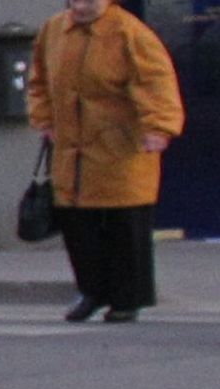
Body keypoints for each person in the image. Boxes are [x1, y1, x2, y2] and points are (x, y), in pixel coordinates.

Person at [28, 0, 185, 324]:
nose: (81, 6)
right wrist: (44, 118)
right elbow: (39, 79)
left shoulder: (129, 32)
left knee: (124, 223)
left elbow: (156, 81)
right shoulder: (54, 30)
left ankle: (127, 298)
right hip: (72, 150)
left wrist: (158, 127)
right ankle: (91, 291)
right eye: (75, 0)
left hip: (120, 145)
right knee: (77, 224)